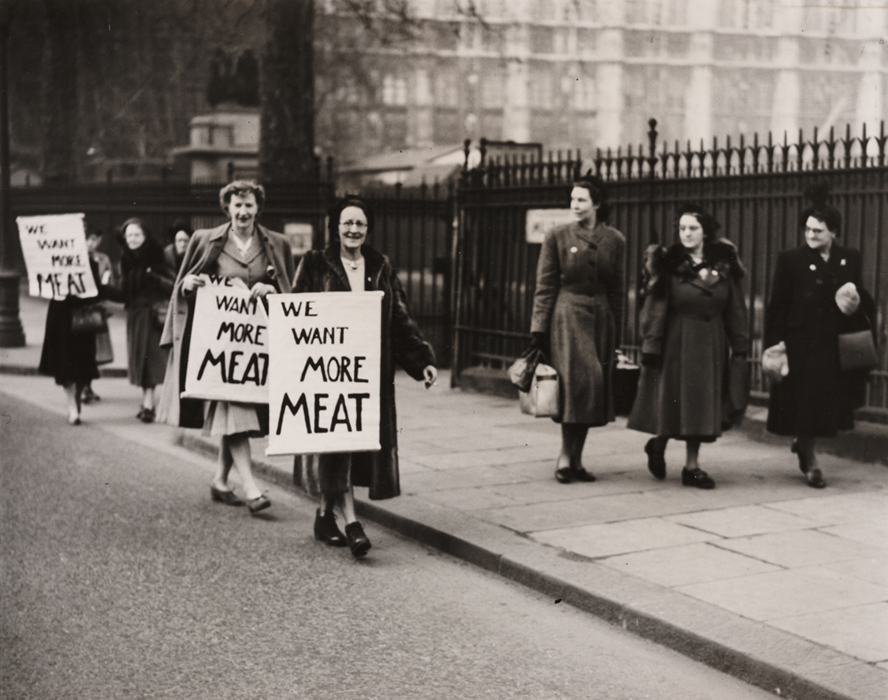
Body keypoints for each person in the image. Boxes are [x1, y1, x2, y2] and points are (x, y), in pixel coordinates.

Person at [292, 196, 437, 557]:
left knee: (354, 445)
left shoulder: (380, 266)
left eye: (359, 224)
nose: (353, 230)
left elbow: (399, 318)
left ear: (367, 229)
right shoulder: (314, 263)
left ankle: (325, 516)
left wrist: (422, 361)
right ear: (336, 227)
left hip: (370, 373)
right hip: (328, 373)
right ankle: (354, 524)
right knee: (336, 443)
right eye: (347, 223)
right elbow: (295, 312)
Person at [158, 180, 295, 514]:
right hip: (219, 348)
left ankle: (220, 481)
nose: (243, 211)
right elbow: (184, 285)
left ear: (258, 208)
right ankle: (251, 489)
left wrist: (272, 292)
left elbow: (290, 291)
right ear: (227, 208)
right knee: (236, 410)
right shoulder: (206, 240)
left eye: (249, 205)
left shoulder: (277, 243)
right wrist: (189, 284)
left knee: (234, 411)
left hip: (256, 348)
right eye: (237, 205)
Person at [627, 204, 749, 489]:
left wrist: (740, 346)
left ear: (705, 232)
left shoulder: (723, 265)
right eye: (682, 228)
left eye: (692, 228)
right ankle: (657, 445)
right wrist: (652, 346)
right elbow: (655, 308)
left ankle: (691, 466)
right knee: (674, 401)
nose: (686, 233)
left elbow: (735, 308)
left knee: (702, 405)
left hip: (712, 343)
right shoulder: (669, 265)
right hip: (677, 342)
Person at [764, 185, 876, 488]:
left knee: (825, 405)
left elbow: (861, 298)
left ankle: (804, 444)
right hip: (802, 343)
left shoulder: (849, 258)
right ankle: (811, 461)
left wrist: (853, 301)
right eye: (808, 229)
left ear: (834, 232)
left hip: (835, 343)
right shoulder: (790, 259)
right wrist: (774, 345)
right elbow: (778, 305)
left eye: (819, 230)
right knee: (807, 403)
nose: (811, 235)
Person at [529, 175, 626, 484]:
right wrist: (538, 329)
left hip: (600, 319)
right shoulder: (557, 235)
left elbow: (617, 290)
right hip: (567, 316)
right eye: (573, 199)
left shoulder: (615, 240)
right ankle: (565, 457)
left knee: (591, 387)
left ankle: (577, 459)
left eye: (582, 200)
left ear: (597, 204)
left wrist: (618, 330)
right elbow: (544, 286)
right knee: (575, 386)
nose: (576, 205)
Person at [38, 246, 110, 425]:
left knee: (83, 364)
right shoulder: (51, 260)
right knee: (64, 364)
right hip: (60, 315)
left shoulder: (90, 262)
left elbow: (97, 289)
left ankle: (77, 395)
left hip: (82, 316)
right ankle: (72, 405)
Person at [115, 218, 175, 423]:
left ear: (145, 236)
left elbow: (174, 284)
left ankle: (149, 403)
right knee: (140, 362)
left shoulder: (157, 256)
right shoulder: (125, 259)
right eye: (129, 235)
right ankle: (146, 401)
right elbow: (123, 292)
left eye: (136, 235)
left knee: (150, 362)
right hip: (135, 317)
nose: (132, 239)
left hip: (152, 316)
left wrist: (155, 279)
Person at [81, 226, 116, 405]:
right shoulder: (77, 258)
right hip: (80, 309)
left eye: (96, 240)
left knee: (94, 349)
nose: (92, 243)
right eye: (90, 239)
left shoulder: (103, 259)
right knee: (82, 349)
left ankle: (87, 385)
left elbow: (109, 282)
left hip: (97, 308)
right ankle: (82, 385)